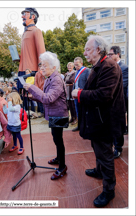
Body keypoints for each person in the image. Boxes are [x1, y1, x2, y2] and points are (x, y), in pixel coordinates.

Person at [72, 35, 126, 207]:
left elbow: (104, 95)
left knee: (105, 154)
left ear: (98, 50)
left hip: (105, 121)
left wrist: (79, 94)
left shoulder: (108, 66)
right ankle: (99, 170)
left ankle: (109, 190)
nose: (85, 52)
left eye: (88, 49)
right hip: (98, 119)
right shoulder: (99, 66)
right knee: (98, 148)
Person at [23, 51, 68, 180]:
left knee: (58, 140)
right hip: (54, 114)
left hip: (58, 115)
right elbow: (45, 97)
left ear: (54, 67)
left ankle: (62, 167)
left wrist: (32, 88)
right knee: (56, 138)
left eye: (45, 66)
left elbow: (48, 98)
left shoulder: (57, 79)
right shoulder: (51, 78)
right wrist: (34, 96)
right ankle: (59, 158)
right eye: (41, 65)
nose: (42, 68)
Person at [17, 7, 46, 92]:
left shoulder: (36, 31)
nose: (22, 16)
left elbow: (42, 53)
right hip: (22, 70)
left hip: (32, 71)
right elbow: (28, 54)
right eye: (22, 14)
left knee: (33, 97)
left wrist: (40, 72)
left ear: (33, 17)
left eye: (25, 14)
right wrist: (18, 57)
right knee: (23, 96)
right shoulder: (24, 33)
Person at [108, 46, 128, 158]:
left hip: (119, 103)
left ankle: (118, 148)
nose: (109, 56)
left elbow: (121, 85)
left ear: (118, 54)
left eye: (111, 54)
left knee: (118, 126)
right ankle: (111, 146)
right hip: (109, 102)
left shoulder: (124, 68)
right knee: (111, 125)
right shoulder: (109, 67)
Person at [72, 57, 90, 132]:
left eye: (77, 64)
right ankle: (79, 126)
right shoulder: (76, 72)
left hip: (82, 94)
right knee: (78, 111)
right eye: (75, 65)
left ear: (81, 63)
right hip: (76, 95)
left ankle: (85, 127)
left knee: (84, 111)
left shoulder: (86, 70)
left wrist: (83, 91)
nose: (76, 66)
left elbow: (89, 83)